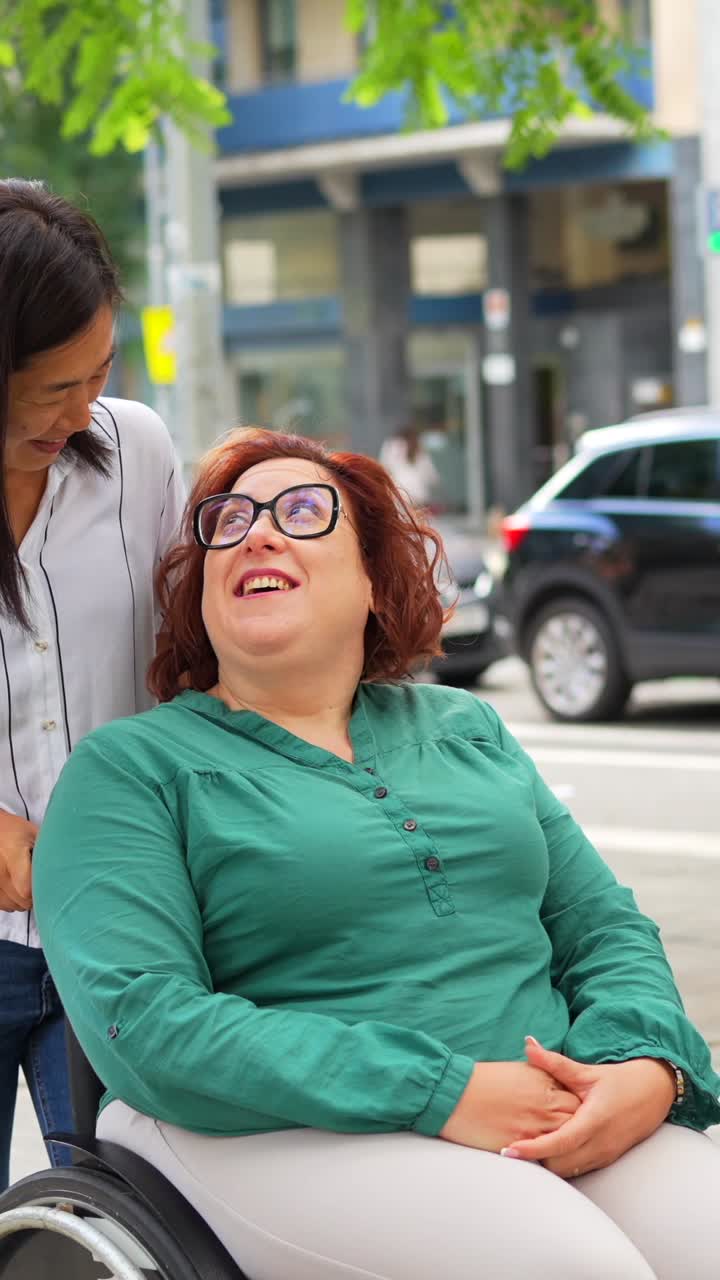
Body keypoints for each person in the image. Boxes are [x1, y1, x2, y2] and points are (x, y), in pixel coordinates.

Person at [33, 428, 720, 1280]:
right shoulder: (130, 770)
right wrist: (443, 1091)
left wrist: (643, 1064)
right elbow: (146, 1021)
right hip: (277, 1129)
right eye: (230, 519)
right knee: (573, 1269)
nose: (258, 532)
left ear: (371, 578)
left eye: (302, 511)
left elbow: (602, 926)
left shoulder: (467, 728)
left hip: (549, 1099)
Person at [0, 178, 185, 1190]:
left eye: (99, 373)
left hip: (118, 932)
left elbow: (192, 662)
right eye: (48, 389)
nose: (81, 413)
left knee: (130, 1218)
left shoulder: (138, 451)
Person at [379, 422, 439, 508]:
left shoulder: (393, 447)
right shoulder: (396, 448)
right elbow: (432, 478)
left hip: (405, 498)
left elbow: (385, 469)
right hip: (412, 498)